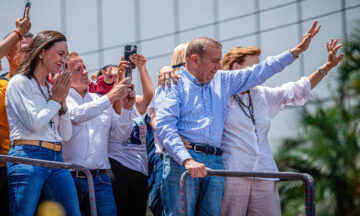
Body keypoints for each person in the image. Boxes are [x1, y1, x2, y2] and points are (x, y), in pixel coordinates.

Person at [155, 21, 320, 215]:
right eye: (214, 61)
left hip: (215, 163)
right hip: (182, 162)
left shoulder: (222, 81)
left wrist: (295, 52)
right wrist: (186, 160)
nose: (219, 66)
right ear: (194, 59)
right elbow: (165, 126)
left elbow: (259, 71)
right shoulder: (172, 82)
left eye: (220, 61)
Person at [219, 40, 344, 216]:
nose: (258, 73)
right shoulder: (219, 95)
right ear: (235, 67)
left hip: (265, 174)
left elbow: (296, 90)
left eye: (259, 67)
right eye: (253, 68)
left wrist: (326, 67)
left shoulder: (262, 94)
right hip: (233, 175)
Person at [5, 30, 80, 216]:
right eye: (60, 54)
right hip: (27, 157)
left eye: (65, 55)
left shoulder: (51, 87)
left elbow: (66, 134)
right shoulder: (19, 83)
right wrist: (56, 99)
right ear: (41, 52)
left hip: (56, 158)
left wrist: (61, 103)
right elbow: (34, 123)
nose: (64, 60)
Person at [62, 54, 135, 216]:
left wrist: (127, 110)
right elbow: (75, 115)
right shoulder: (61, 99)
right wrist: (111, 96)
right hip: (68, 178)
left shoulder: (100, 99)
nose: (85, 72)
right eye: (78, 69)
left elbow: (120, 135)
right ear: (64, 75)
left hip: (100, 179)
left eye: (85, 68)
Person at [107, 54, 154, 215]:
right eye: (114, 77)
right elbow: (117, 106)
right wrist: (120, 79)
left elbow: (149, 96)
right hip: (119, 166)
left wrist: (142, 68)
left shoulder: (133, 103)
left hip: (139, 168)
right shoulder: (110, 103)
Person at [0, 9, 32, 215]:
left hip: (31, 166)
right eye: (24, 51)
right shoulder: (2, 85)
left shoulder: (40, 87)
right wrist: (18, 33)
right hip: (3, 166)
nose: (30, 57)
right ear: (9, 54)